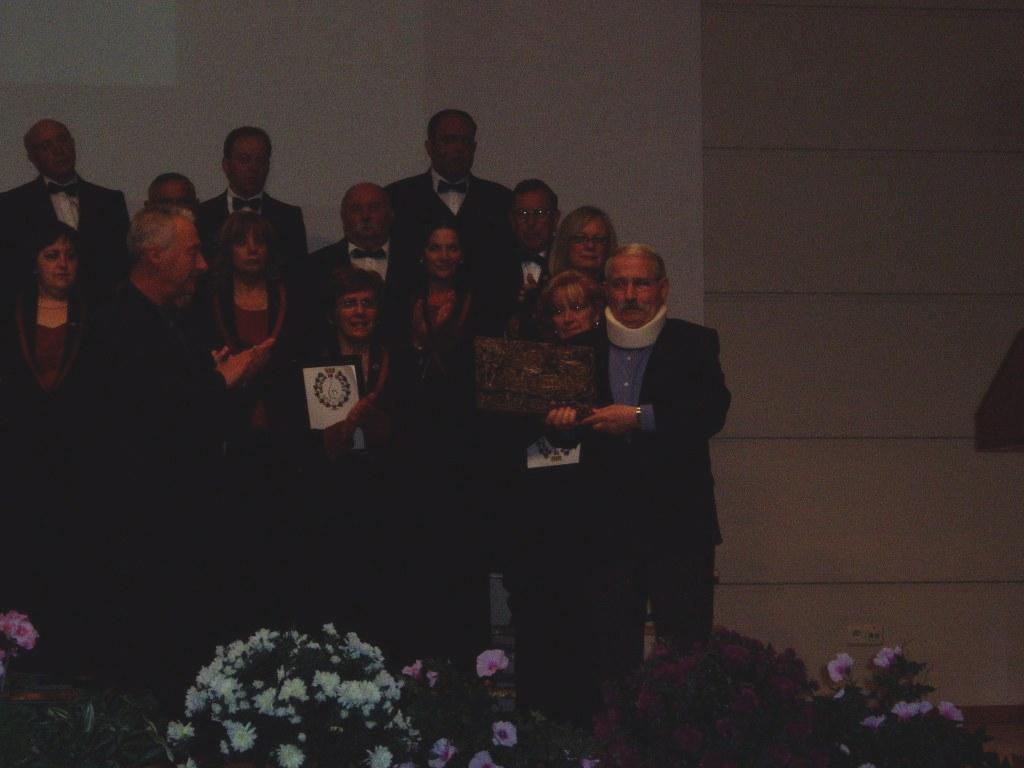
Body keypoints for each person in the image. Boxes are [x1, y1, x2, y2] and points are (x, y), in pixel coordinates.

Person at [85, 206, 272, 710]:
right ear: (154, 255)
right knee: (153, 672)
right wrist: (218, 381)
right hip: (146, 535)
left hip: (178, 528)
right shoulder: (118, 324)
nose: (203, 265)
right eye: (192, 252)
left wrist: (213, 379)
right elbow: (149, 423)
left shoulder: (168, 320)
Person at [546, 244, 730, 718]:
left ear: (662, 289)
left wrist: (636, 417)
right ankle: (615, 745)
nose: (630, 295)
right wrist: (561, 424)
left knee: (685, 657)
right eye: (620, 284)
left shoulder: (695, 343)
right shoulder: (577, 350)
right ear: (606, 290)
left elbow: (710, 411)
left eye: (641, 283)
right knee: (609, 660)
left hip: (679, 527)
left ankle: (682, 746)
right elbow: (559, 431)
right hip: (605, 531)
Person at [504, 270, 604, 724]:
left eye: (577, 307)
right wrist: (542, 424)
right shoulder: (527, 365)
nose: (568, 318)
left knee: (588, 635)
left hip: (590, 523)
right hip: (537, 523)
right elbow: (503, 439)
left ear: (597, 311)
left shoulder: (611, 364)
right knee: (536, 633)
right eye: (557, 310)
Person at [389, 222, 489, 665]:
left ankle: (465, 667)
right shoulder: (401, 303)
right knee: (418, 557)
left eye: (452, 248)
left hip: (464, 448)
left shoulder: (479, 304)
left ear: (462, 255)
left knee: (462, 558)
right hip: (413, 448)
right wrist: (415, 342)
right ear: (421, 255)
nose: (444, 256)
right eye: (435, 248)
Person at [0, 222, 95, 678]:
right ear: (33, 263)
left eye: (69, 256)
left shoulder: (94, 315)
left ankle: (68, 659)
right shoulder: (11, 314)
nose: (62, 264)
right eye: (51, 255)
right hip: (18, 459)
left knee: (70, 558)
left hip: (76, 462)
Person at [386, 109, 517, 336]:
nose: (458, 148)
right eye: (449, 140)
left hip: (487, 329)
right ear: (429, 147)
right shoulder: (397, 197)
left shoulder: (501, 200)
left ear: (474, 148)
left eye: (465, 141)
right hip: (411, 330)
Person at [0, 119, 130, 306]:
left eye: (62, 140)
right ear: (32, 158)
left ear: (73, 143)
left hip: (104, 310)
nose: (59, 150)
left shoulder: (110, 201)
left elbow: (122, 263)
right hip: (36, 311)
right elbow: (10, 268)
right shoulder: (11, 205)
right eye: (46, 146)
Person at [307, 182, 415, 347]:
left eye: (374, 208)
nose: (365, 216)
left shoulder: (414, 261)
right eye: (356, 209)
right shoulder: (316, 265)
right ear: (343, 217)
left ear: (391, 214)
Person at [197, 126, 308, 277]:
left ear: (268, 166)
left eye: (260, 160)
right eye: (244, 160)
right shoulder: (203, 215)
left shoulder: (289, 217)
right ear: (226, 165)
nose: (253, 168)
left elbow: (298, 274)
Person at [505, 179, 560, 339]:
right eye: (522, 214)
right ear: (512, 220)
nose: (531, 223)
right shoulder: (495, 265)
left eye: (540, 213)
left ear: (555, 218)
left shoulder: (566, 264)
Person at [549, 205, 618, 283]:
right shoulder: (548, 288)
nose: (590, 246)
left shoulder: (620, 289)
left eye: (598, 239)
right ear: (565, 243)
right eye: (580, 238)